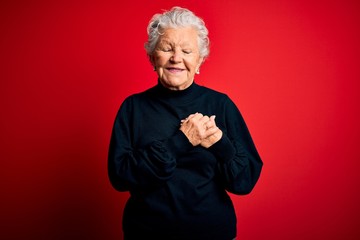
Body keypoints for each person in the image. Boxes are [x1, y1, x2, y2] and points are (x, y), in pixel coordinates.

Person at [108, 6, 263, 240]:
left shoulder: (220, 105)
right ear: (152, 57)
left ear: (199, 60)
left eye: (187, 51)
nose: (176, 58)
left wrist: (220, 143)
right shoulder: (133, 108)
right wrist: (182, 141)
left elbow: (245, 182)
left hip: (212, 232)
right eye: (167, 48)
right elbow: (120, 178)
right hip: (146, 233)